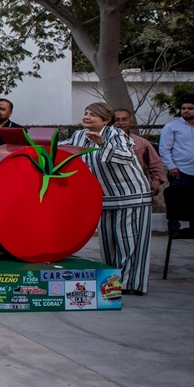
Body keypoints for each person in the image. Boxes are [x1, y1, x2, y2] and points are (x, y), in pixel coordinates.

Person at [64, 102, 152, 295]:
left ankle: (130, 284)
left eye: (92, 115)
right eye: (86, 113)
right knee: (108, 241)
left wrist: (102, 143)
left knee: (128, 241)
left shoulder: (116, 134)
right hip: (105, 197)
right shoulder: (79, 136)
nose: (87, 117)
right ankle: (113, 282)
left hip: (131, 196)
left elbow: (126, 156)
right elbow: (62, 150)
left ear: (105, 120)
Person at [159, 95, 194, 236]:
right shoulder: (171, 127)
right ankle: (174, 229)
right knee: (176, 200)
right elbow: (164, 148)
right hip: (179, 170)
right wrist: (171, 166)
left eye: (190, 108)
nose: (186, 111)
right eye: (183, 108)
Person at [113, 108, 166, 196]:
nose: (120, 123)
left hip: (138, 189)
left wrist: (155, 183)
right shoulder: (102, 142)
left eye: (124, 119)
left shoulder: (142, 143)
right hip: (110, 189)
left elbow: (156, 166)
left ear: (131, 121)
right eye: (116, 120)